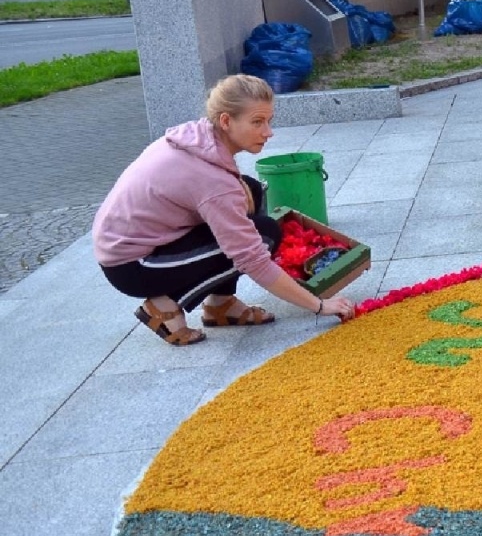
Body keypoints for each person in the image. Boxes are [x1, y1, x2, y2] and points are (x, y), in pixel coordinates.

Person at [93, 74, 356, 345]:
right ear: (226, 121)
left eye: (268, 121)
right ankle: (163, 307)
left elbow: (224, 191)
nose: (268, 132)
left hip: (136, 242)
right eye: (257, 122)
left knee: (250, 189)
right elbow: (251, 259)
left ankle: (221, 305)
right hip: (134, 266)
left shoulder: (196, 136)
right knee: (263, 234)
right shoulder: (211, 182)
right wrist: (320, 306)